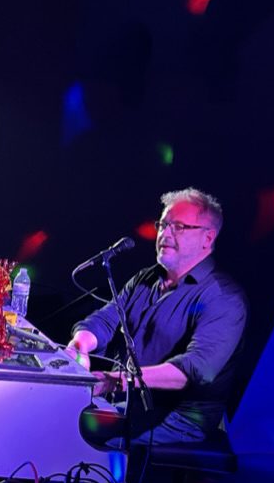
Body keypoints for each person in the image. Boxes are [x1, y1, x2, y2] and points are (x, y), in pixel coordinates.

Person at [65, 187, 248, 447]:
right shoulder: (146, 277)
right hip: (128, 401)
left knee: (81, 435)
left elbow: (195, 369)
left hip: (177, 419)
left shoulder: (222, 298)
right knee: (56, 413)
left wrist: (116, 381)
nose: (165, 234)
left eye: (179, 227)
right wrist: (79, 347)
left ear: (207, 238)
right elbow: (104, 320)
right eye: (163, 224)